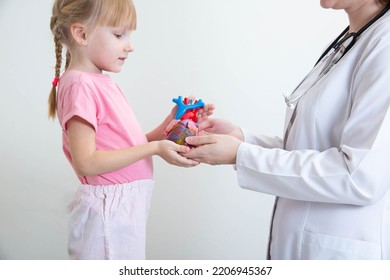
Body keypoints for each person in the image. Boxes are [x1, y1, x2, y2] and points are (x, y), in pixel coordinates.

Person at [185, 0, 390, 260]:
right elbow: (316, 145)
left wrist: (242, 155)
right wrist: (243, 139)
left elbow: (359, 176)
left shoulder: (385, 45)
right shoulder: (354, 37)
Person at [48, 0, 212, 260]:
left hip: (123, 209)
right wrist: (156, 148)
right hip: (108, 215)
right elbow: (86, 162)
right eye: (118, 34)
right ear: (81, 34)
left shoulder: (101, 82)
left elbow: (126, 147)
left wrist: (170, 123)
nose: (130, 45)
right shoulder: (79, 85)